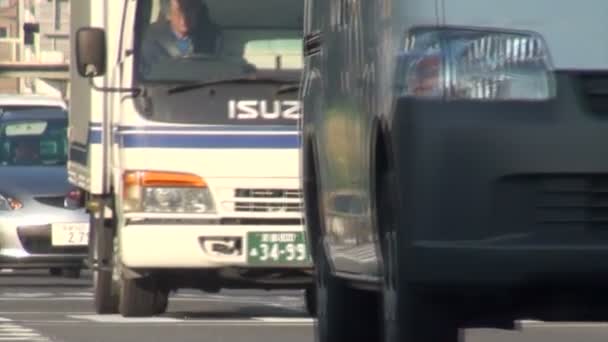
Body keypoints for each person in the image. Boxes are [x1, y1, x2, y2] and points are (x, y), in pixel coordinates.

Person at [139, 0, 221, 75]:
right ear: (168, 14)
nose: (184, 18)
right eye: (179, 11)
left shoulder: (212, 37)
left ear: (198, 10)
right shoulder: (151, 39)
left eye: (190, 10)